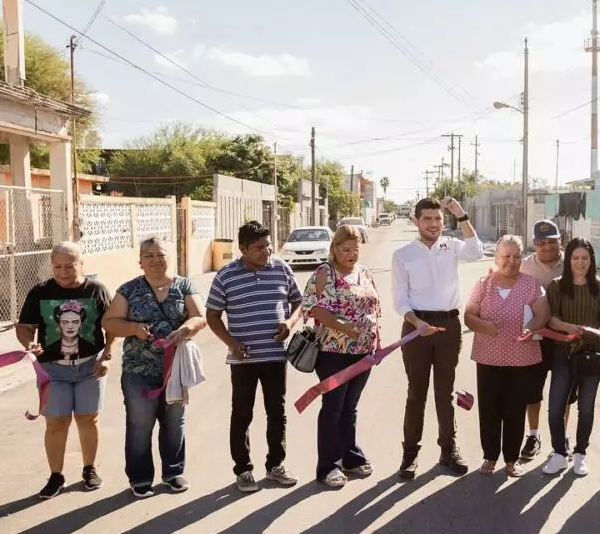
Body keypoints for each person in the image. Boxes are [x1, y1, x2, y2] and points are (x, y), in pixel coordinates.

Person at [103, 236, 206, 498]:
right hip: (138, 371)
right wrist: (133, 329)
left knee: (174, 422)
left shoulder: (184, 286)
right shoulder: (128, 290)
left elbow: (199, 316)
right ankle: (140, 478)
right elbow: (110, 322)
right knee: (140, 424)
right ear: (140, 262)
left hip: (175, 369)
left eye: (160, 255)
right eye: (149, 256)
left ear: (169, 257)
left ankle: (173, 472)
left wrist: (186, 329)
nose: (155, 260)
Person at [206, 221, 302, 493]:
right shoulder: (226, 275)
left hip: (275, 356)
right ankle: (243, 470)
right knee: (242, 414)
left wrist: (290, 323)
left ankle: (275, 466)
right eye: (259, 248)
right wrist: (231, 343)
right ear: (243, 248)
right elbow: (212, 316)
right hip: (243, 360)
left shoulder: (282, 268)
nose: (267, 251)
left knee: (277, 412)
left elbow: (299, 301)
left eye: (269, 245)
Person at [391, 195, 482, 479]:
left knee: (445, 392)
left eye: (438, 219)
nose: (433, 224)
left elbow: (477, 251)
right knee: (416, 393)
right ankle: (409, 455)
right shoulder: (403, 255)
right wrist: (417, 322)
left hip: (448, 327)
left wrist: (461, 214)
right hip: (416, 327)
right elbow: (399, 298)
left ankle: (448, 449)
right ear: (416, 221)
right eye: (427, 219)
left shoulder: (452, 246)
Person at [16, 242, 114, 499]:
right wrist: (29, 343)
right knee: (56, 423)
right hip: (53, 370)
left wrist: (108, 356)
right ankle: (56, 475)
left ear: (81, 264)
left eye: (69, 266)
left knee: (88, 419)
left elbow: (112, 326)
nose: (63, 272)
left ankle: (89, 469)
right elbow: (24, 326)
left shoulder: (96, 290)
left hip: (89, 366)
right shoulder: (40, 292)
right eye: (57, 266)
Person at [301, 224, 381, 488]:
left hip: (363, 352)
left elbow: (374, 308)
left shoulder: (364, 272)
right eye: (345, 249)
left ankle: (351, 457)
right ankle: (327, 466)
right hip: (333, 352)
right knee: (333, 407)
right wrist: (346, 328)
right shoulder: (325, 273)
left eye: (355, 249)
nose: (351, 254)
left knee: (350, 407)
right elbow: (314, 309)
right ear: (334, 249)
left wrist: (376, 343)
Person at [464, 236, 549, 477]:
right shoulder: (483, 284)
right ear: (496, 257)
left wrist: (531, 327)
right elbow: (469, 315)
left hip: (521, 358)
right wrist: (483, 325)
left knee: (515, 410)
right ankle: (490, 457)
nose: (511, 261)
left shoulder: (531, 284)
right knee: (489, 410)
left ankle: (512, 459)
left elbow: (543, 313)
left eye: (516, 256)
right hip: (488, 358)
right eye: (505, 256)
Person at [542, 237, 600, 476]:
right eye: (575, 258)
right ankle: (559, 454)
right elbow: (550, 318)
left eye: (585, 258)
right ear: (568, 259)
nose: (580, 262)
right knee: (556, 407)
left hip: (591, 354)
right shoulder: (556, 285)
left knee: (586, 408)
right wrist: (567, 327)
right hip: (563, 352)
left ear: (591, 260)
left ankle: (580, 453)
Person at [519, 218, 564, 461]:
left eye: (551, 241)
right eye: (541, 242)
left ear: (560, 241)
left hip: (565, 338)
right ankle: (533, 435)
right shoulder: (524, 266)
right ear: (534, 244)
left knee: (564, 391)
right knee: (532, 391)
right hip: (534, 338)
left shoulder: (574, 262)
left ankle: (563, 436)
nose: (546, 247)